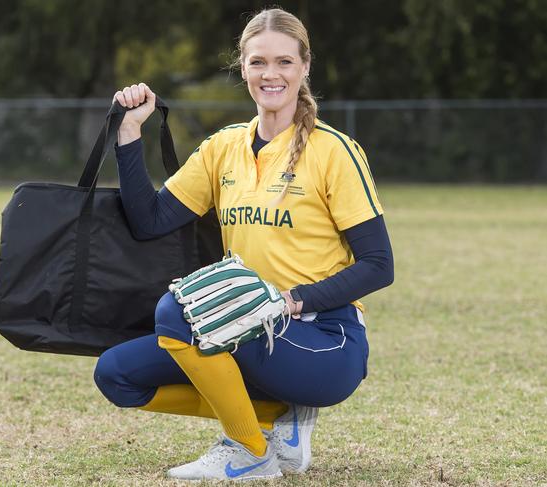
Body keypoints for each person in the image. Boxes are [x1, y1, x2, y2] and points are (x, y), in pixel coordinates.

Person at [93, 7, 394, 481]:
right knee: (116, 375)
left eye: (284, 62)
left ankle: (248, 450)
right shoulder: (223, 147)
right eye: (257, 63)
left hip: (322, 339)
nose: (270, 74)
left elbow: (379, 264)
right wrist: (130, 134)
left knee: (177, 312)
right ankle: (278, 418)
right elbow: (150, 221)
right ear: (243, 68)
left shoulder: (334, 150)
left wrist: (290, 301)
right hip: (241, 328)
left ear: (305, 67)